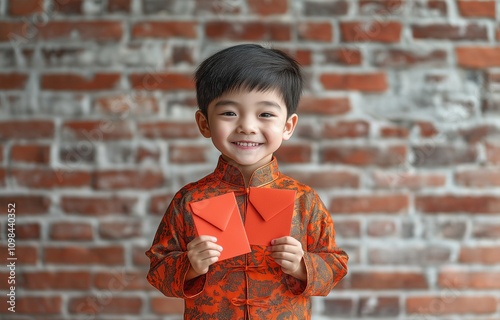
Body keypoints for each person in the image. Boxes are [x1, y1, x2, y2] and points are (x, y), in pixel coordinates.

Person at [146, 43, 348, 319]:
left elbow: (335, 263)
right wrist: (189, 265)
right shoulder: (189, 199)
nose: (247, 126)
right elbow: (157, 269)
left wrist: (303, 265)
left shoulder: (304, 199)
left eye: (265, 114)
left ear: (287, 126)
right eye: (229, 113)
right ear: (204, 123)